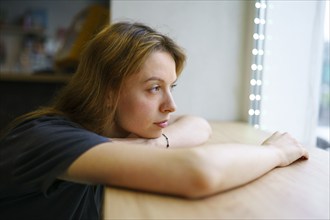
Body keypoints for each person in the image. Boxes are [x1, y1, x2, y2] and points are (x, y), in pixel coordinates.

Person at [0, 22, 308, 220]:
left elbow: (198, 124)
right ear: (108, 91)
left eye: (171, 87)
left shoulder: (108, 134)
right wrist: (276, 152)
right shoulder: (45, 138)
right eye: (154, 88)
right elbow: (199, 172)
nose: (170, 105)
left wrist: (154, 143)